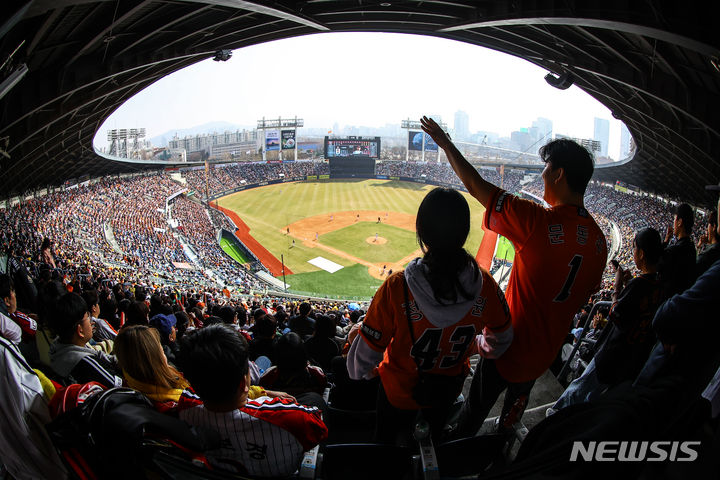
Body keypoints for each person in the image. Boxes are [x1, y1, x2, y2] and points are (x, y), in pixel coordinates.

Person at [421, 116, 607, 436]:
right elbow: (584, 294)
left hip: (508, 349)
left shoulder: (536, 221)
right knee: (509, 421)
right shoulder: (600, 242)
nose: (542, 174)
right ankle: (499, 452)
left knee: (473, 413)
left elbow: (478, 186)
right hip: (542, 357)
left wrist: (446, 143)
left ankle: (459, 453)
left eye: (546, 168)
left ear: (559, 174)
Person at [348, 187, 513, 443]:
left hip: (398, 395)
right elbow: (501, 340)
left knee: (387, 449)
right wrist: (476, 345)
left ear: (421, 232)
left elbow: (358, 366)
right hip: (445, 394)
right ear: (464, 232)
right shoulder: (487, 286)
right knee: (432, 444)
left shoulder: (397, 287)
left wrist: (374, 372)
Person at [177, 325, 328, 477]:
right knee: (314, 399)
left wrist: (264, 391)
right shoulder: (290, 417)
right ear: (244, 384)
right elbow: (319, 429)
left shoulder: (185, 405)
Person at [550, 228, 663, 413]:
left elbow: (616, 313)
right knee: (593, 397)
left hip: (613, 353)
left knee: (580, 387)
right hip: (631, 358)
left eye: (634, 247)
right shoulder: (657, 285)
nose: (633, 251)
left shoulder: (639, 284)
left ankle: (555, 414)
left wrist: (617, 287)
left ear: (641, 254)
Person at [114, 325, 201, 413]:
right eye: (162, 351)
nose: (165, 355)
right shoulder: (176, 406)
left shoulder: (129, 380)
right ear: (156, 360)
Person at [48, 293, 122, 387]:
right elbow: (120, 386)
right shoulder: (84, 363)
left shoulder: (60, 346)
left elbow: (98, 355)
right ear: (80, 331)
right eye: (88, 316)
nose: (91, 321)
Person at [659, 202, 697, 297]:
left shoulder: (673, 251)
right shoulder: (691, 247)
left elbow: (655, 264)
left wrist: (665, 242)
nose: (673, 224)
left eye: (674, 220)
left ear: (679, 222)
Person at [696, 209, 720, 277]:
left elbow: (692, 271)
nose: (706, 229)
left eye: (708, 225)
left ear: (714, 226)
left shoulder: (707, 255)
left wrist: (698, 246)